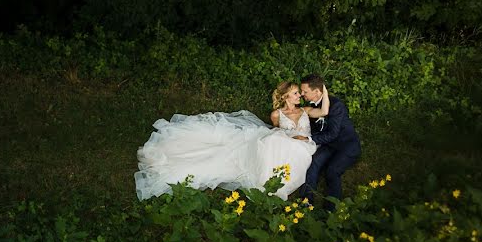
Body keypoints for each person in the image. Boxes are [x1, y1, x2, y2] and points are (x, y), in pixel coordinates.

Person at [134, 81, 329, 201]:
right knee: (273, 142)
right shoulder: (276, 114)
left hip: (305, 144)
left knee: (286, 147)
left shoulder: (305, 111)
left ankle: (274, 180)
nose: (300, 96)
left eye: (299, 93)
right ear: (286, 96)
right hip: (286, 141)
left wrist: (323, 91)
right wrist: (291, 136)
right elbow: (280, 132)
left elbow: (324, 111)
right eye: (296, 93)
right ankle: (267, 177)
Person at [296, 74, 361, 209]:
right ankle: (307, 200)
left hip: (346, 145)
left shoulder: (336, 105)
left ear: (317, 91)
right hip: (329, 145)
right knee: (313, 163)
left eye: (305, 91)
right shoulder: (311, 106)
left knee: (332, 170)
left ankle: (331, 209)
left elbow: (332, 134)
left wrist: (309, 139)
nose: (302, 94)